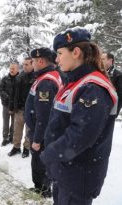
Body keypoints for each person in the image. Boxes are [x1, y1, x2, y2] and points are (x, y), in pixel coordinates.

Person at [40, 28, 118, 205]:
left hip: (78, 175)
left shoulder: (92, 87)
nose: (57, 59)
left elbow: (80, 136)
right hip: (65, 170)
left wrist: (50, 153)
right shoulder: (74, 81)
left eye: (60, 53)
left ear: (75, 52)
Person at [24, 48, 63, 197]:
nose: (32, 64)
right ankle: (43, 187)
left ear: (40, 61)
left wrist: (37, 139)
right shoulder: (48, 76)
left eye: (33, 61)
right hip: (45, 131)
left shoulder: (46, 81)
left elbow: (44, 116)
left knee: (39, 162)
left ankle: (42, 190)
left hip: (42, 133)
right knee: (42, 161)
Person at [8, 57, 34, 158]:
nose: (24, 66)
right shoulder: (19, 77)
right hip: (19, 109)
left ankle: (26, 148)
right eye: (23, 64)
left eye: (26, 64)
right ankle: (16, 146)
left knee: (29, 130)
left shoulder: (36, 77)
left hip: (31, 110)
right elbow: (13, 93)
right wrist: (12, 106)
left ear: (32, 64)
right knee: (17, 129)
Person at [0, 62, 19, 146]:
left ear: (17, 69)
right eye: (10, 68)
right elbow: (1, 90)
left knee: (14, 123)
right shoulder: (4, 79)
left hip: (16, 105)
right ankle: (5, 138)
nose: (11, 70)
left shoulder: (20, 78)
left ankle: (12, 137)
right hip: (6, 105)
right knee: (5, 123)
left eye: (13, 68)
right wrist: (7, 96)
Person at [102, 52, 122, 117]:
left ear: (110, 61)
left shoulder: (118, 75)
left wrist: (114, 113)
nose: (100, 61)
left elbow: (120, 95)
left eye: (103, 59)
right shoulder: (98, 73)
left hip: (110, 111)